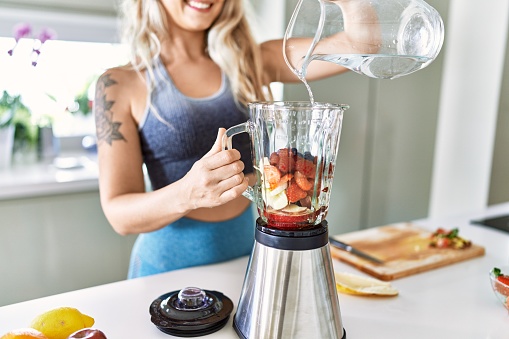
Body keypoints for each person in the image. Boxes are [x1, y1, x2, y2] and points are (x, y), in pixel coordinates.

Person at [93, 0, 373, 278]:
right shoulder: (120, 83)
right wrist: (187, 193)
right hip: (165, 272)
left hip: (247, 260)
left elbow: (363, 45)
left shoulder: (254, 61)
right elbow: (120, 216)